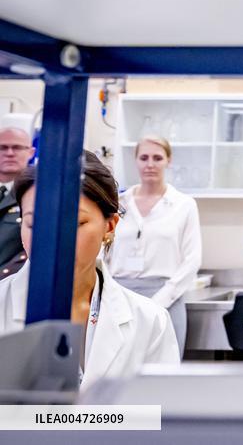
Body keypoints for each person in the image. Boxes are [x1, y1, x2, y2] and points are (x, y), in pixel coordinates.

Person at [0, 150, 179, 391]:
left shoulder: (150, 321)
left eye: (75, 223)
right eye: (35, 223)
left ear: (110, 225)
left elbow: (160, 416)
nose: (52, 239)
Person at [107, 136, 202, 352]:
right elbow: (104, 249)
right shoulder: (119, 203)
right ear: (136, 161)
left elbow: (192, 259)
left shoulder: (183, 205)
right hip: (120, 296)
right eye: (144, 157)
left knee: (163, 371)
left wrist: (160, 300)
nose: (150, 164)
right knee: (116, 367)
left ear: (169, 161)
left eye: (157, 158)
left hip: (166, 297)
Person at [0, 126, 35, 280]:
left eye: (17, 147)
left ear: (31, 152)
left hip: (11, 285)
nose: (9, 153)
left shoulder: (38, 193)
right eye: (2, 147)